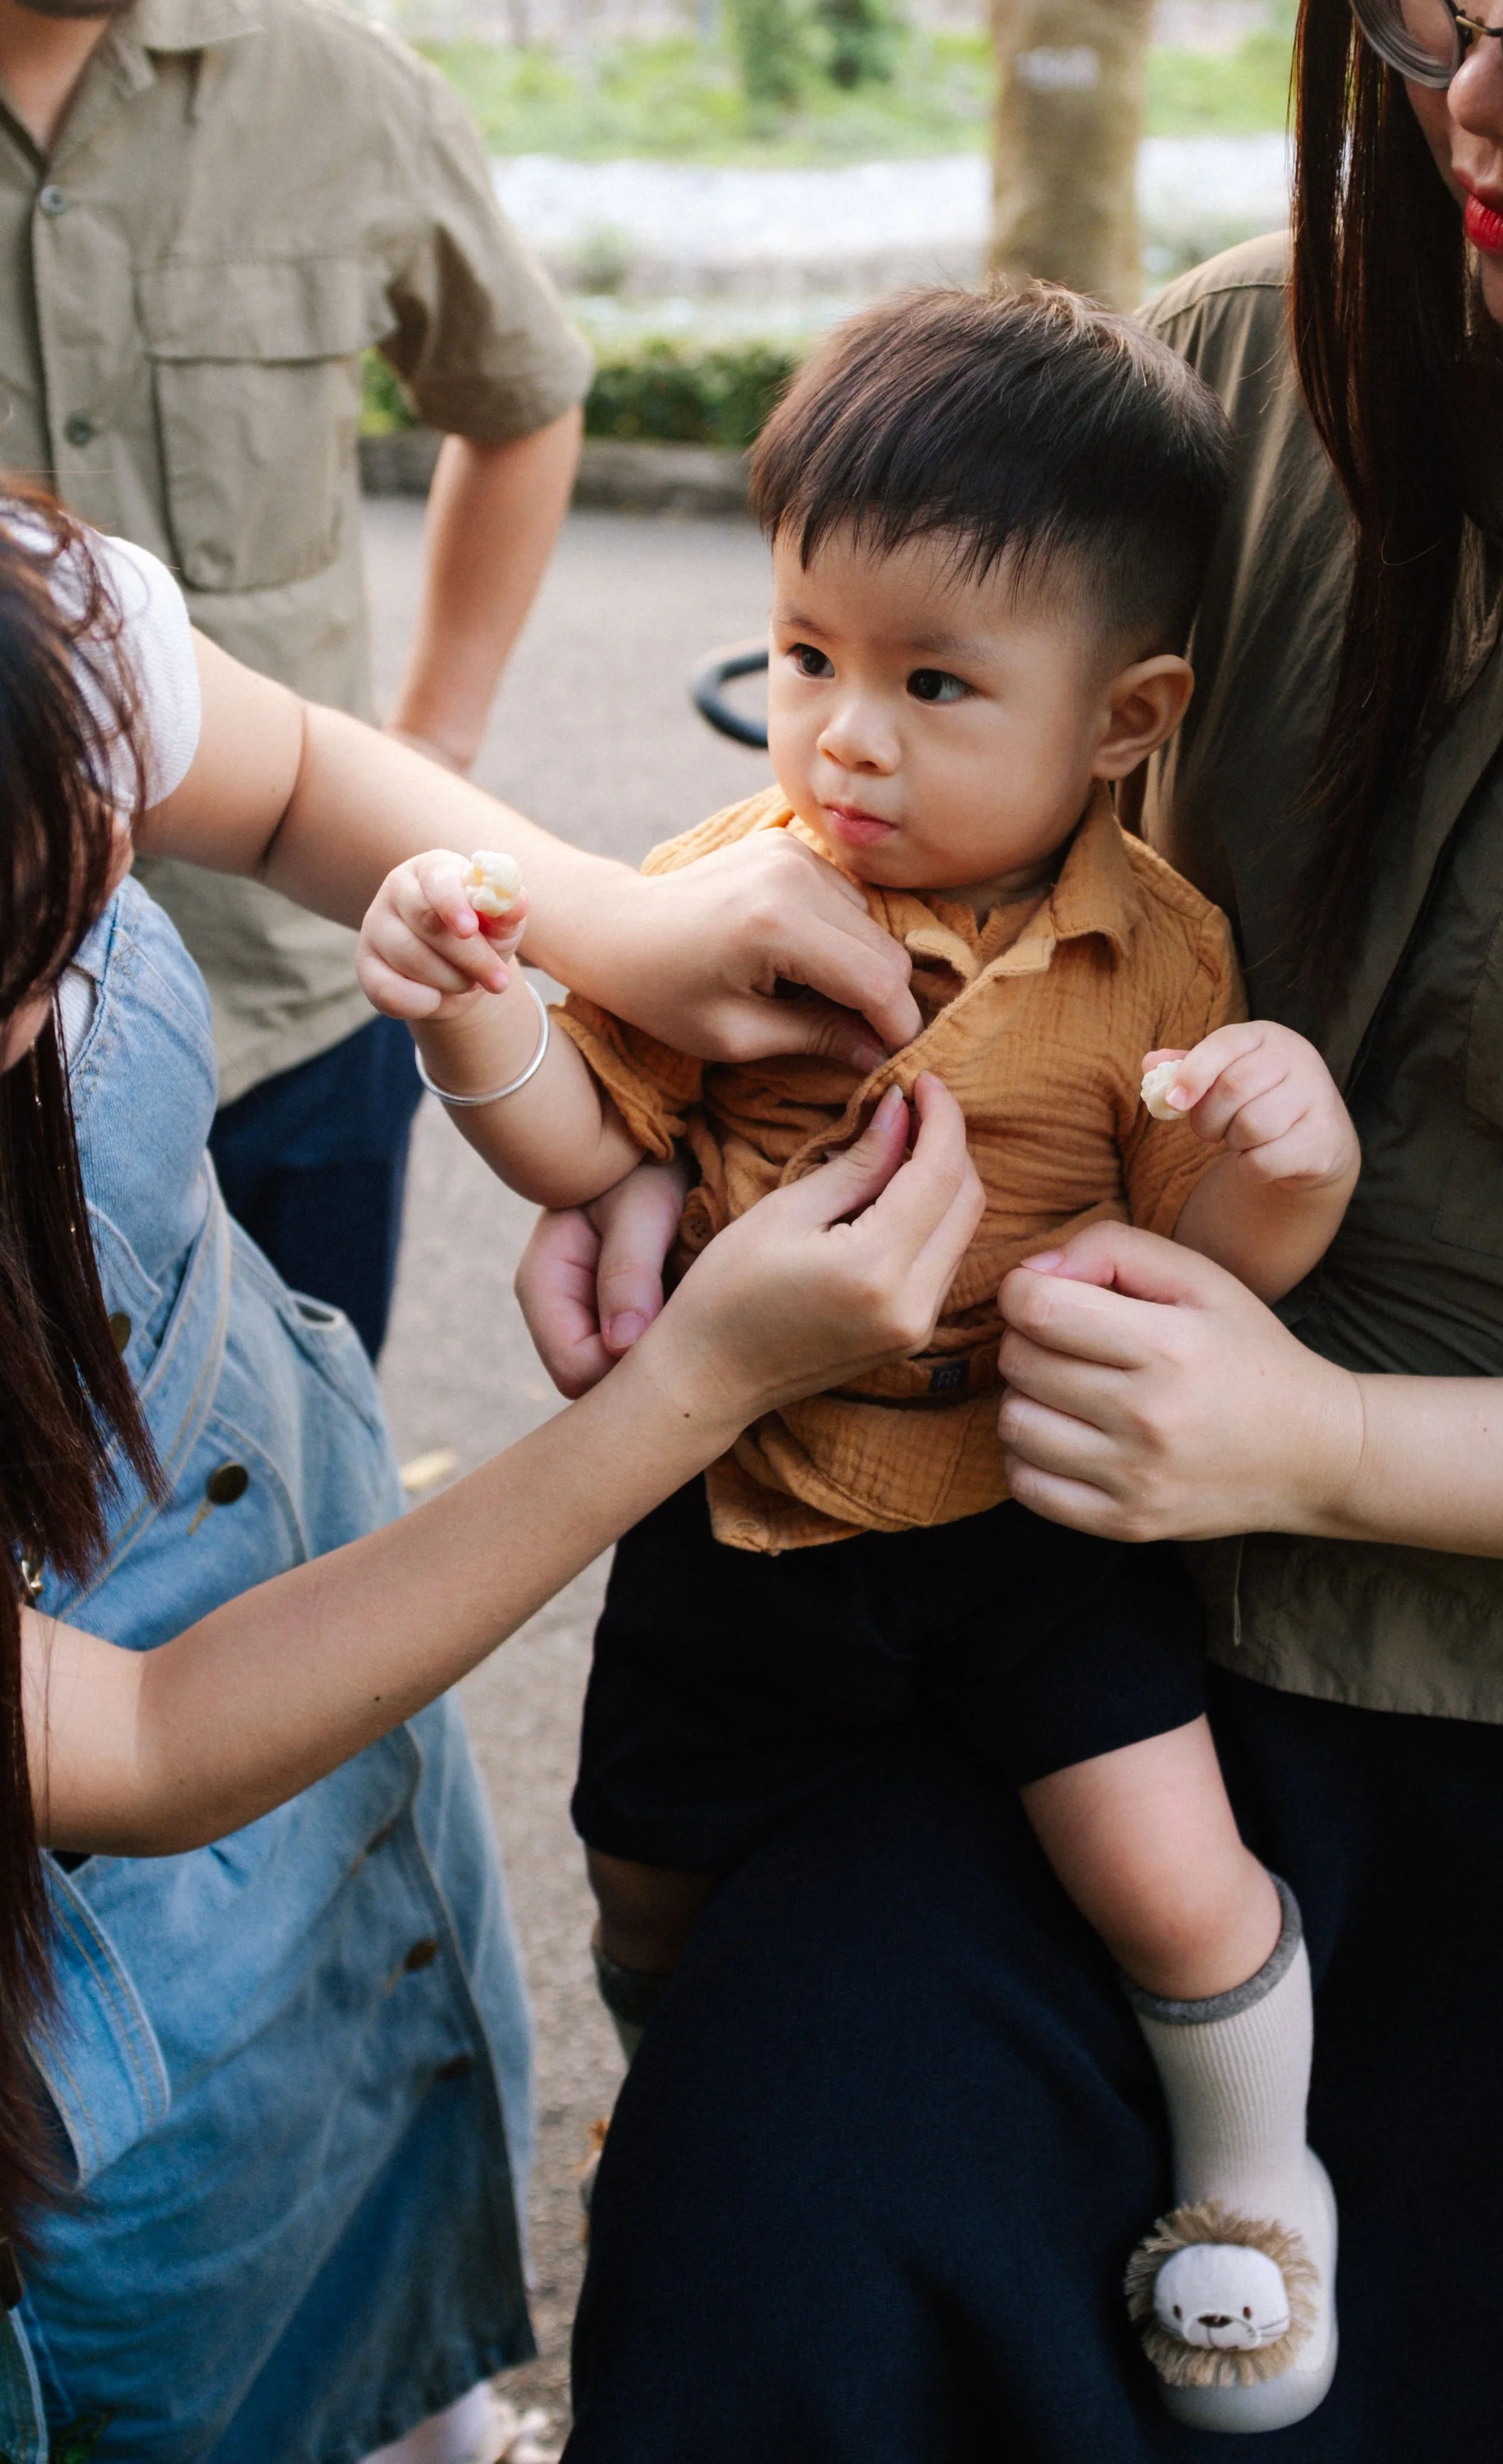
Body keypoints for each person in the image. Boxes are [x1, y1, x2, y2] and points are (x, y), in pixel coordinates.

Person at [533, 0, 1503, 2456]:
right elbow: (876, 800)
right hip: (1028, 1633)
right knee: (768, 2285)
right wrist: (675, 1129)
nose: (1481, 94)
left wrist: (1324, 1440)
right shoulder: (1235, 377)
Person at [363, 287, 1362, 2432]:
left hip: (1028, 1508)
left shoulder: (1153, 951)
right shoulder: (734, 887)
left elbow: (1206, 1275)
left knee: (1168, 1874)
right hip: (753, 1492)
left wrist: (1289, 1154)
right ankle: (684, 2076)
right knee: (649, 1853)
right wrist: (471, 1014)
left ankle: (1252, 2182)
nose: (844, 735)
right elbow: (591, 1137)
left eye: (931, 682)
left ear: (1124, 715)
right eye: (807, 654)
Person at [0, 483, 946, 2464]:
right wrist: (698, 1377)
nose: (47, 1004)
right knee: (164, 2286)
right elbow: (149, 1732)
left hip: (304, 1540)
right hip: (90, 1892)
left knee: (393, 2043)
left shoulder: (26, 611)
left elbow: (281, 784)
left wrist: (611, 941)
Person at [0, 0, 593, 1356]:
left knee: (302, 1498)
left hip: (292, 1004)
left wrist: (431, 749)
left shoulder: (344, 90)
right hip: (13, 1021)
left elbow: (518, 400)